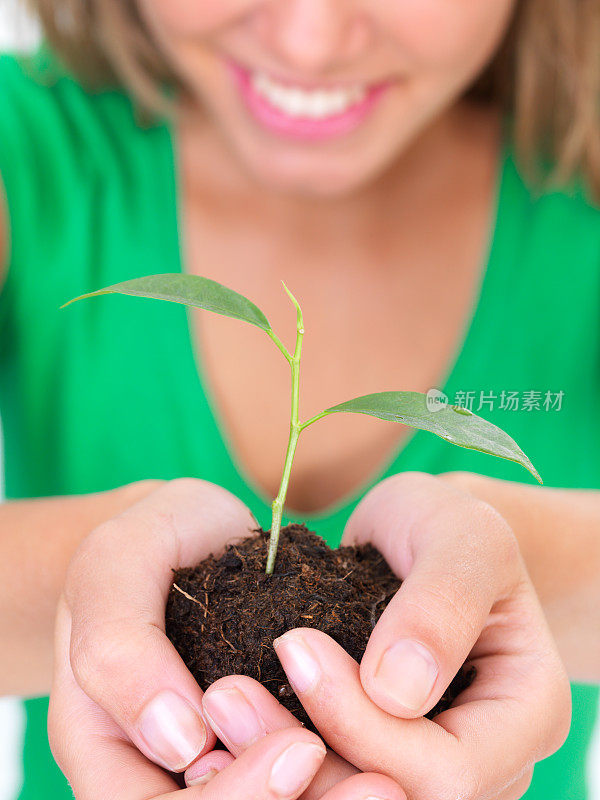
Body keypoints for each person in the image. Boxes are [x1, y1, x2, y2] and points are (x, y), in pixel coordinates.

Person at [0, 1, 599, 798]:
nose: (309, 40)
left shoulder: (577, 193)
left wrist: (512, 566)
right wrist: (102, 581)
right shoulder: (30, 156)